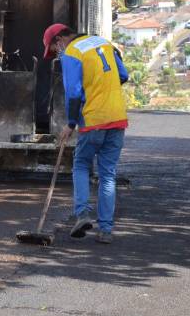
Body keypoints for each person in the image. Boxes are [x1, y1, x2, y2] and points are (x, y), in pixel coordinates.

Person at [42, 23, 128, 244]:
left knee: (80, 165)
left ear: (60, 39)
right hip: (117, 116)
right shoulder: (103, 43)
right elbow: (123, 75)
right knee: (107, 174)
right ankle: (105, 230)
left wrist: (70, 123)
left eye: (54, 48)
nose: (56, 53)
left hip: (93, 119)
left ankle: (82, 214)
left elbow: (74, 92)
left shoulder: (72, 53)